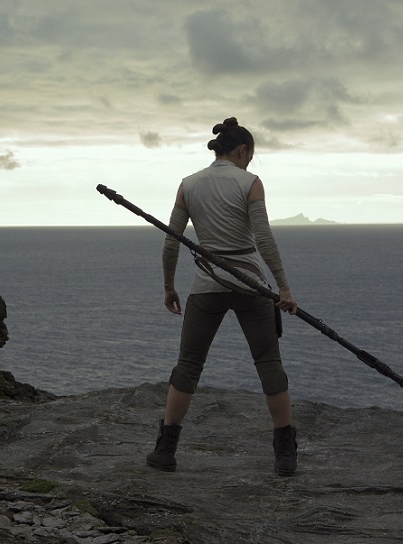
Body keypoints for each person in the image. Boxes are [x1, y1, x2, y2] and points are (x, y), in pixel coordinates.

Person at [146, 117, 300, 477]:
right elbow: (263, 239)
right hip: (251, 285)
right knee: (268, 362)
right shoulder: (249, 183)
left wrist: (169, 286)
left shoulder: (189, 184)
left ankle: (166, 450)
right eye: (250, 155)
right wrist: (284, 288)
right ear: (243, 150)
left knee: (188, 365)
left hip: (207, 283)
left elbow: (172, 241)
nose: (250, 162)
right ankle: (285, 455)